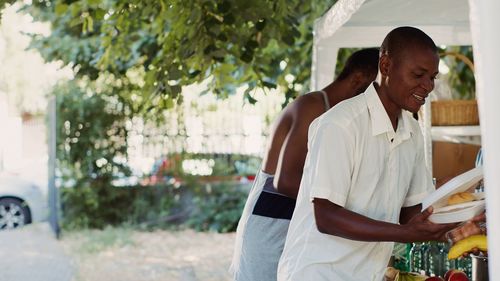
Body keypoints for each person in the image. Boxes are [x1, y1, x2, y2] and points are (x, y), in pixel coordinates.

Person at [277, 26, 458, 281]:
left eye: (432, 77)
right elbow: (326, 216)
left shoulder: (412, 130)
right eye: (418, 75)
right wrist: (405, 233)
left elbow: (411, 213)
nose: (428, 86)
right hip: (317, 274)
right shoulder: (339, 125)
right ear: (385, 66)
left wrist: (455, 220)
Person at [230, 48, 380, 281]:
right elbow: (286, 181)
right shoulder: (313, 106)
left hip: (296, 227)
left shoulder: (342, 118)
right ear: (359, 79)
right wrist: (345, 202)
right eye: (376, 92)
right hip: (272, 222)